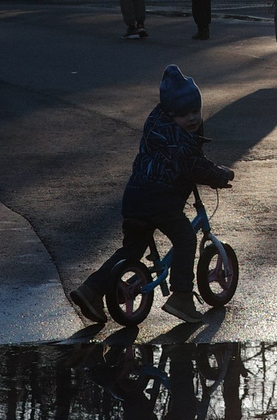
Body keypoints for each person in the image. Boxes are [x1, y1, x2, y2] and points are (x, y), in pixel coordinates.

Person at [69, 64, 236, 327]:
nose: (192, 119)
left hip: (135, 197)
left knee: (132, 249)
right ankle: (181, 296)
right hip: (162, 200)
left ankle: (91, 289)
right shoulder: (179, 140)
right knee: (185, 239)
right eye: (183, 114)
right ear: (171, 113)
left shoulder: (156, 123)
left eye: (195, 112)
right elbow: (196, 166)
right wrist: (221, 175)